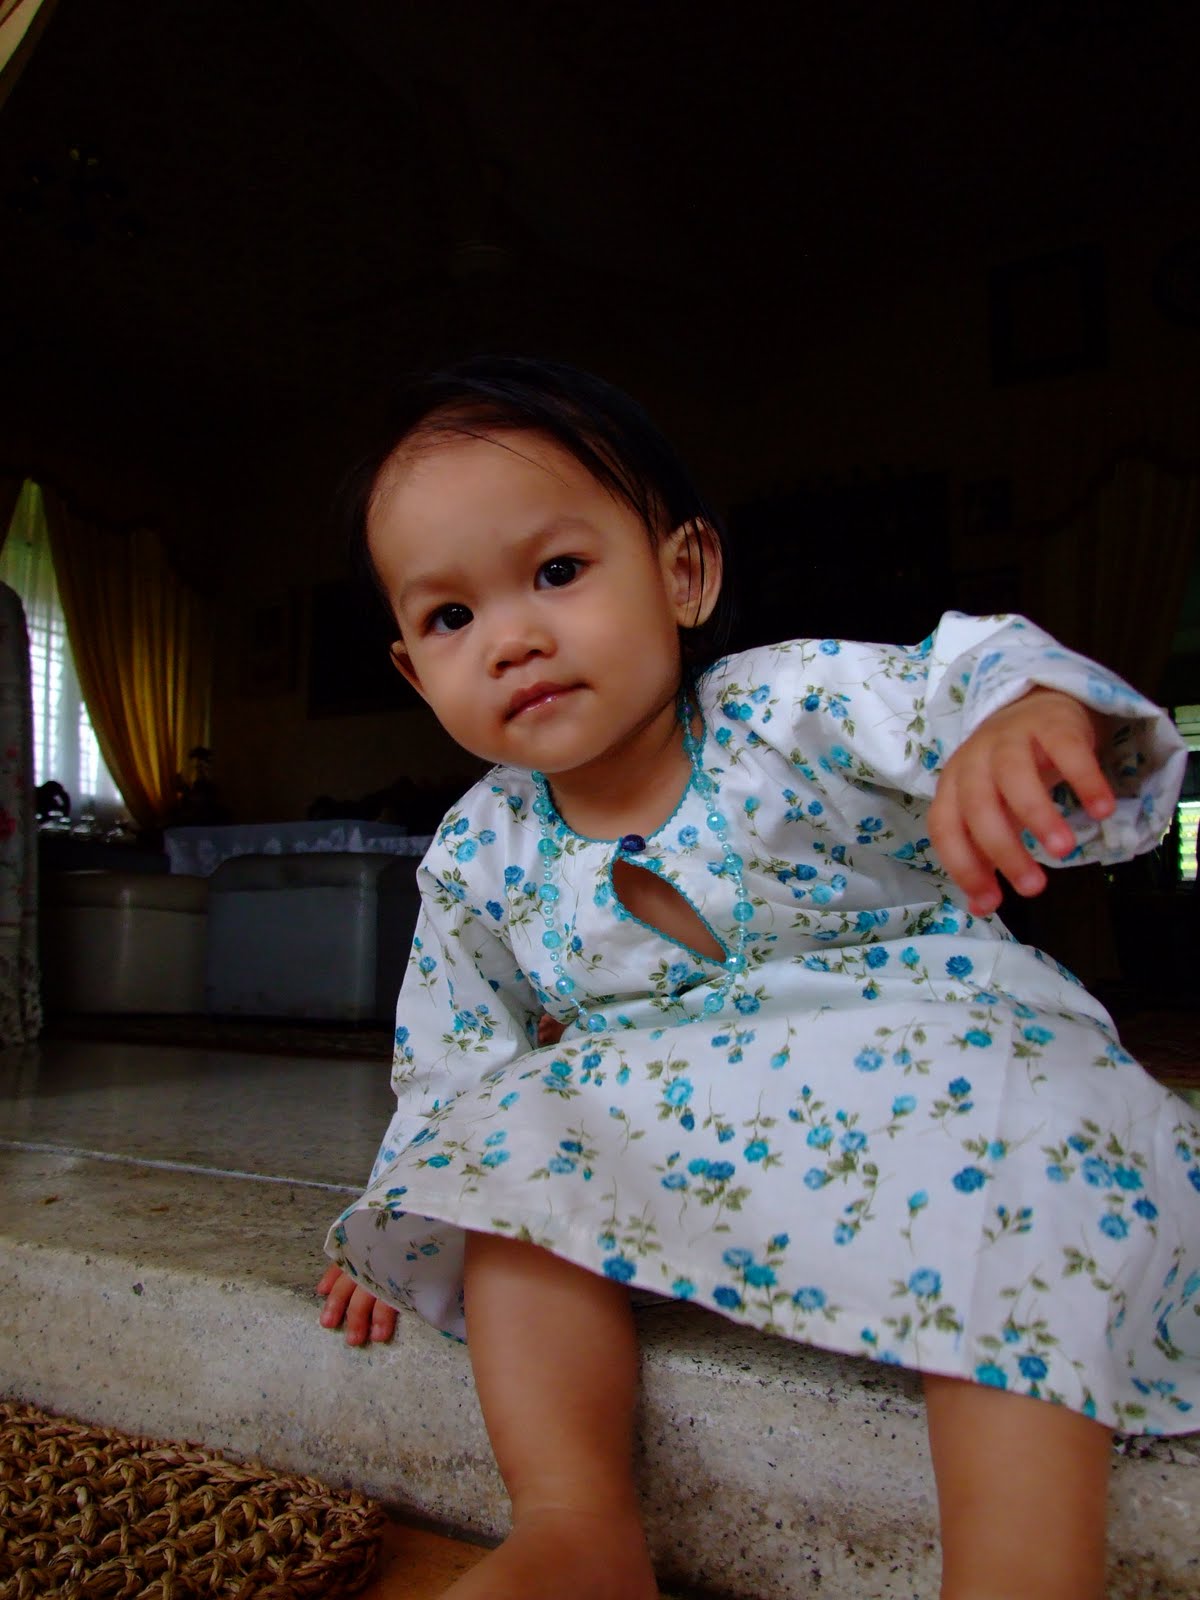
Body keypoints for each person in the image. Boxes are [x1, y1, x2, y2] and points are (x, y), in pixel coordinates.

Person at [316, 357, 1197, 1600]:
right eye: (451, 616)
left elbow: (958, 674)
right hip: (680, 1123)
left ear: (684, 574)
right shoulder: (476, 849)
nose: (511, 638)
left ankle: (1019, 1569)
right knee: (503, 1144)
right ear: (414, 668)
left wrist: (1016, 715)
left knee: (1040, 1132)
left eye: (558, 571)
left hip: (928, 1064)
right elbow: (454, 1055)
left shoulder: (790, 704)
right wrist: (407, 1203)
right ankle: (575, 1524)